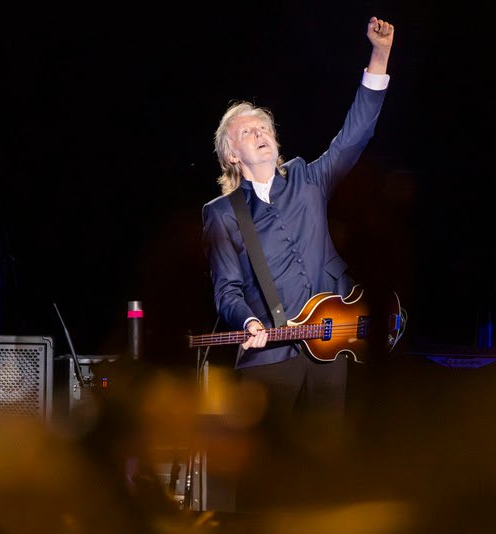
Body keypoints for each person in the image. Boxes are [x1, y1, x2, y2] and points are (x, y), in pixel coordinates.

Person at [201, 16, 394, 510]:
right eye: (248, 130)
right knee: (262, 472)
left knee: (328, 465)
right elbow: (226, 289)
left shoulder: (308, 179)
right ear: (232, 154)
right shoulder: (222, 214)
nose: (261, 132)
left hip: (334, 342)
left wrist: (379, 57)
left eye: (265, 126)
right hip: (270, 353)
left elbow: (353, 137)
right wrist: (247, 320)